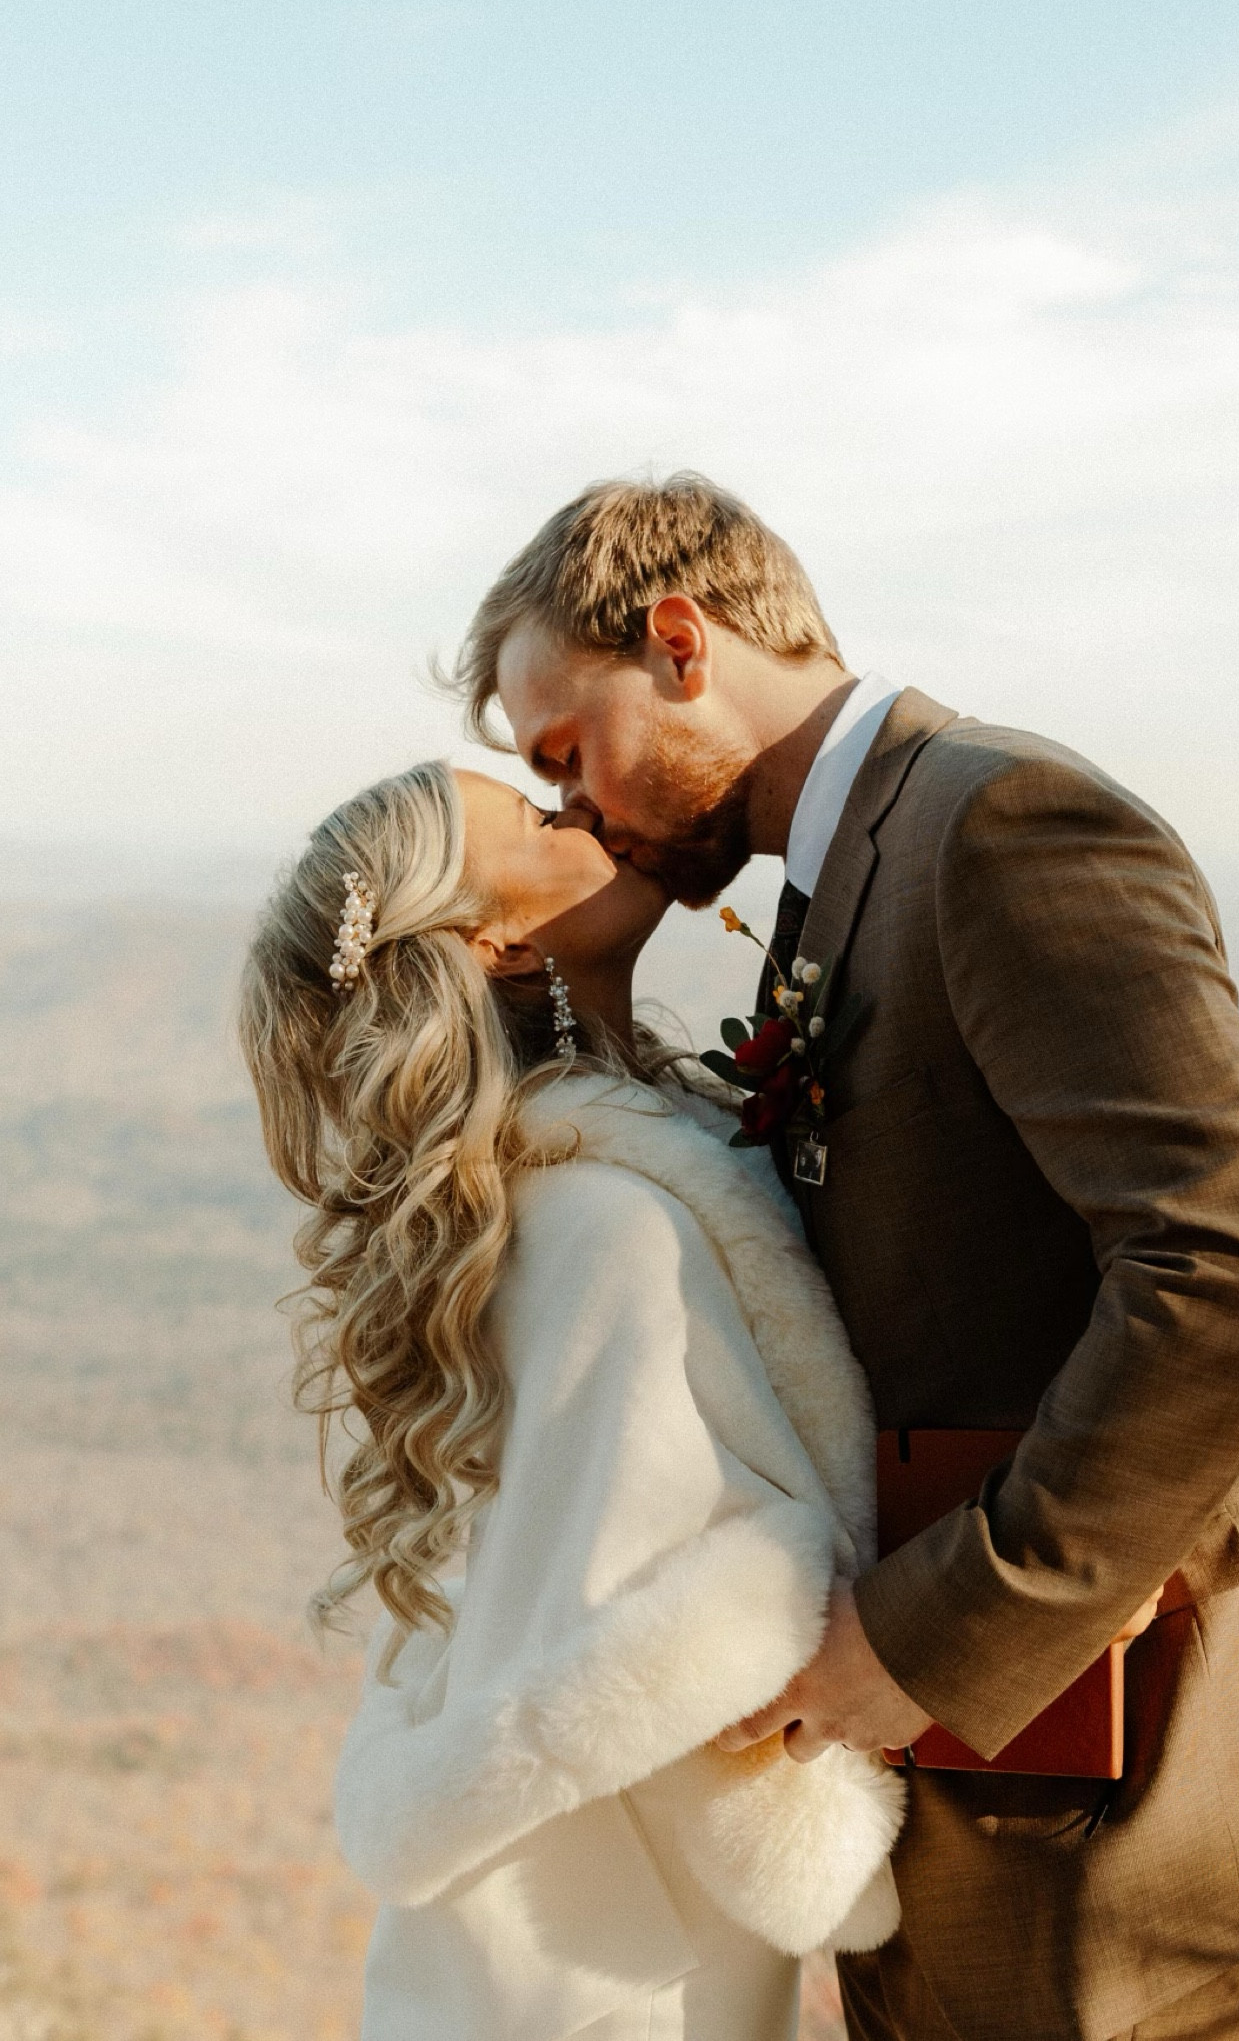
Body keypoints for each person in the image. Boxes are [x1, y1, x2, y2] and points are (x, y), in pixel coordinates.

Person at [459, 472, 1239, 2041]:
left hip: (1103, 1745)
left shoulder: (998, 820)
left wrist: (927, 1636)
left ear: (682, 641)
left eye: (566, 750)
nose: (575, 807)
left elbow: (1234, 1267)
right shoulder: (845, 868)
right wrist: (564, 993)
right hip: (973, 1746)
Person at [238, 758, 912, 2041]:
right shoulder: (601, 1224)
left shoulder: (546, 1196)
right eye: (545, 821)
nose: (589, 811)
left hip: (578, 1892)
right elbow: (670, 1592)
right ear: (490, 941)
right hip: (603, 1938)